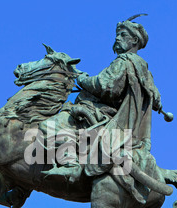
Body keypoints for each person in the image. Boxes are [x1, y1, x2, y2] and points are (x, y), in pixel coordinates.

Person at [43, 14, 163, 196]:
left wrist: (81, 77)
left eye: (122, 35)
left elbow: (105, 86)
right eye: (117, 35)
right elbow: (156, 99)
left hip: (105, 116)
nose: (117, 38)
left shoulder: (124, 62)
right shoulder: (145, 71)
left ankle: (70, 165)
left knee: (49, 126)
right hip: (121, 122)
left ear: (134, 40)